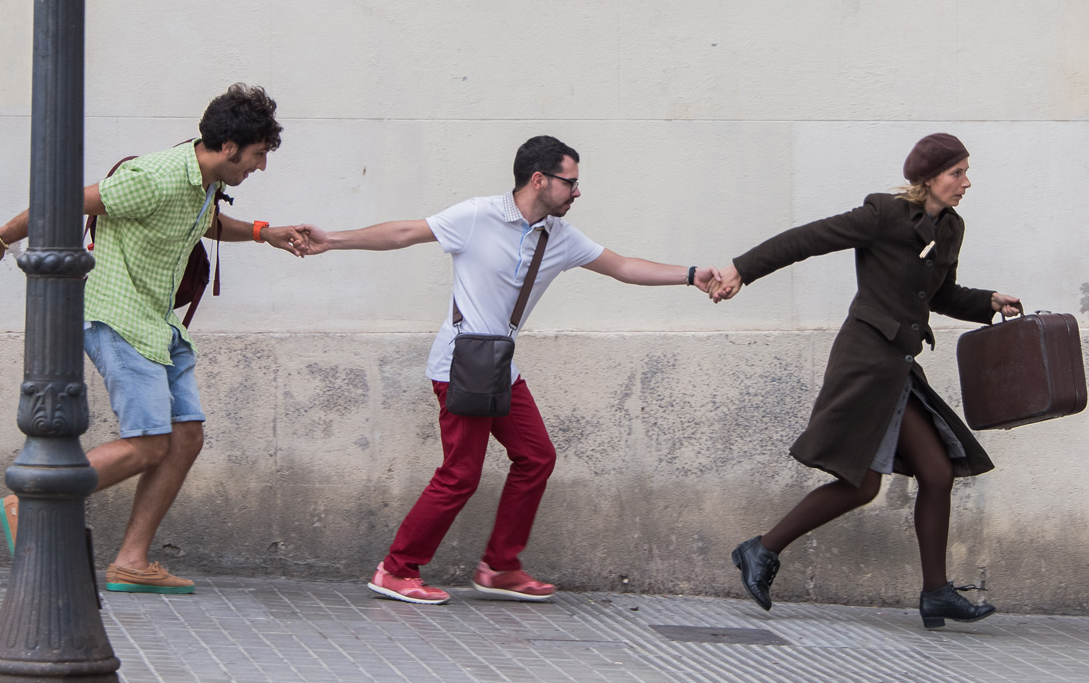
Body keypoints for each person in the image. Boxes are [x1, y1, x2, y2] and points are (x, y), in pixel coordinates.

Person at [288, 135, 720, 604]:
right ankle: (397, 568)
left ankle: (500, 566)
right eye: (570, 183)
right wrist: (332, 240)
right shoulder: (477, 216)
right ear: (540, 180)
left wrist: (691, 274)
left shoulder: (561, 238)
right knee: (461, 474)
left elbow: (623, 267)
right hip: (459, 363)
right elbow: (403, 233)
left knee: (536, 457)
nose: (577, 193)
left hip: (498, 366)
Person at [0, 84, 301, 594]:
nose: (261, 166)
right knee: (147, 444)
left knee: (185, 437)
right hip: (116, 317)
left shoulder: (201, 180)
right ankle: (30, 501)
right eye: (258, 155)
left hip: (157, 325)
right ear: (230, 147)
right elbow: (61, 202)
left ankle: (131, 561)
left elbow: (204, 221)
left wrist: (262, 232)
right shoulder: (156, 176)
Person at [709, 133, 1021, 629]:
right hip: (866, 364)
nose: (966, 182)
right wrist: (740, 270)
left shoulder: (951, 228)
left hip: (898, 368)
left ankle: (936, 592)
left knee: (936, 474)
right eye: (957, 173)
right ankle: (760, 549)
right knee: (860, 484)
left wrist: (988, 302)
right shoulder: (884, 216)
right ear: (929, 178)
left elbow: (940, 294)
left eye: (966, 171)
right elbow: (804, 240)